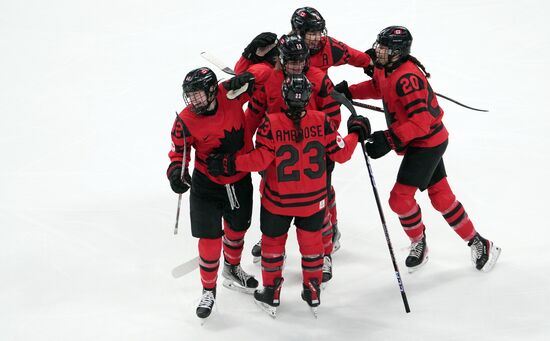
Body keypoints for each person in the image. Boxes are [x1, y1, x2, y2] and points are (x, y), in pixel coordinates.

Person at [335, 26, 501, 273]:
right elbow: (378, 87)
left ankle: (419, 242)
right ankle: (479, 242)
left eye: (384, 48)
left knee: (399, 199)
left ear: (398, 52)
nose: (378, 51)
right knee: (442, 197)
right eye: (379, 45)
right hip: (419, 141)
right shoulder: (386, 69)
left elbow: (421, 122)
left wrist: (389, 139)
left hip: (427, 143)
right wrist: (350, 92)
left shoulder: (407, 78)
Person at [206, 74, 371, 316]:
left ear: (284, 98)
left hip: (278, 202)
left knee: (273, 245)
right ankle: (313, 289)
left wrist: (229, 163)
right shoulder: (323, 120)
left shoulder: (270, 123)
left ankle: (271, 292)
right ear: (307, 99)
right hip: (314, 202)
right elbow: (342, 154)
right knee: (313, 244)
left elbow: (259, 159)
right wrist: (356, 133)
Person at [235, 34, 342, 283]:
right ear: (281, 59)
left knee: (319, 206)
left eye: (301, 61)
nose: (296, 66)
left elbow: (333, 116)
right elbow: (252, 115)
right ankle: (273, 241)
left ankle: (325, 254)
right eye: (291, 61)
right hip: (275, 150)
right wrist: (245, 148)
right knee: (270, 195)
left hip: (314, 152)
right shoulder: (268, 80)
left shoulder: (318, 79)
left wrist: (319, 137)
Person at [167, 67, 260, 320]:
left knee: (237, 230)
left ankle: (231, 268)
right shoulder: (185, 120)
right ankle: (208, 290)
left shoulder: (229, 94)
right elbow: (178, 153)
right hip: (206, 184)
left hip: (239, 178)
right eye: (190, 96)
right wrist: (176, 172)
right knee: (209, 240)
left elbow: (260, 78)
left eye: (198, 94)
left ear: (211, 91)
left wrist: (249, 71)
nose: (193, 101)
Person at [290, 6, 375, 255]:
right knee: (281, 180)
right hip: (289, 123)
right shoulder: (285, 51)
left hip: (322, 121)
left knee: (321, 182)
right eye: (311, 33)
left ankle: (331, 226)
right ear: (297, 32)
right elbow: (251, 71)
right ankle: (276, 235)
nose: (317, 38)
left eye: (319, 32)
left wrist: (369, 63)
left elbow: (350, 54)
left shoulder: (327, 47)